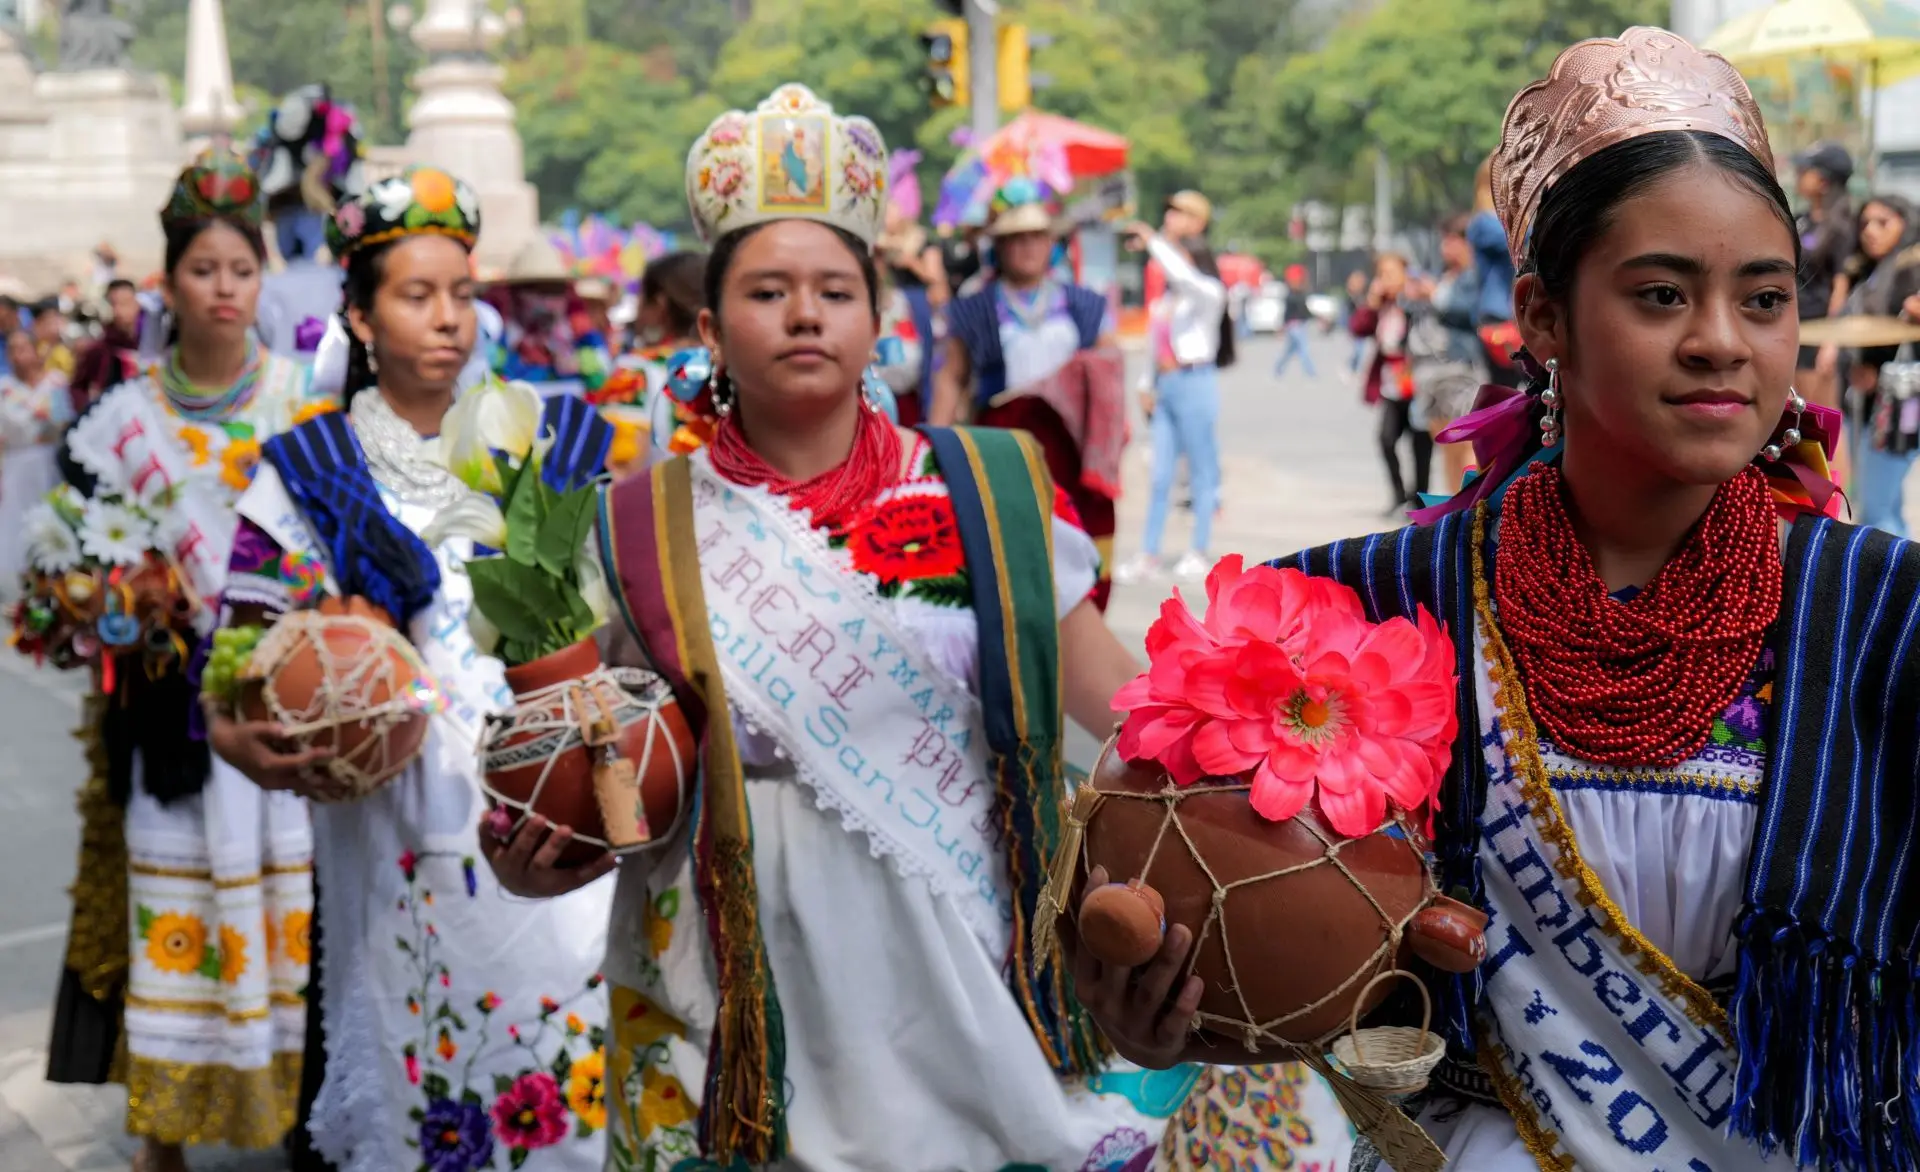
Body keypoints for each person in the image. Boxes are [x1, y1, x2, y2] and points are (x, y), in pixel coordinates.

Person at [1082, 27, 1920, 1172]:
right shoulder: (1360, 613)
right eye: (1663, 293)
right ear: (1542, 315)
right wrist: (1167, 1004)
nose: (1722, 342)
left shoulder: (1881, 618)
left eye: (1764, 298)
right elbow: (1238, 933)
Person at [483, 83, 1189, 1172]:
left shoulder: (991, 488)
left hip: (972, 966)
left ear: (878, 318)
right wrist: (544, 850)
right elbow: (599, 754)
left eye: (834, 289)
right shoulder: (636, 523)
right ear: (713, 328)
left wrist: (1250, 758)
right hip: (739, 988)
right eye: (768, 291)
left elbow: (1121, 702)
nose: (805, 313)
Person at [207, 165, 618, 1172]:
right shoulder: (307, 471)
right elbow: (231, 657)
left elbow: (625, 628)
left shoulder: (552, 444)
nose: (447, 319)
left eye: (463, 293)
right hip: (397, 827)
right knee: (420, 1088)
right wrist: (243, 735)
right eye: (415, 294)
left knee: (576, 1083)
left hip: (555, 814)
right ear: (358, 312)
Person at [47, 148, 319, 1172]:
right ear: (170, 280)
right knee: (175, 907)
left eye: (240, 269)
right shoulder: (121, 422)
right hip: (171, 726)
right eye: (202, 269)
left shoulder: (303, 400)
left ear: (261, 277)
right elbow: (72, 559)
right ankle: (159, 1131)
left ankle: (302, 1108)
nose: (224, 289)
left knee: (292, 912)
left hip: (285, 701)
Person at [933, 179, 1127, 609]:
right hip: (1005, 450)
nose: (1027, 247)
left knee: (1081, 552)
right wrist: (933, 448)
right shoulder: (975, 308)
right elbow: (952, 377)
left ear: (1051, 243)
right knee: (1013, 555)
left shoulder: (1083, 304)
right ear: (998, 247)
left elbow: (1110, 374)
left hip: (1072, 453)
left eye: (1036, 236)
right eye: (1015, 238)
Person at [1113, 202, 1233, 585]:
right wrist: (1146, 386)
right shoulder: (1165, 303)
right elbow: (1154, 348)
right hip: (1167, 387)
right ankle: (1149, 553)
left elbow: (1182, 275)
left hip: (1196, 382)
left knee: (1200, 472)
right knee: (1161, 474)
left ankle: (1198, 549)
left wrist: (1154, 239)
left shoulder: (1209, 293)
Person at [1836, 194, 1920, 535]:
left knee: (1876, 511)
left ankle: (1895, 583)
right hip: (1866, 402)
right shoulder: (1869, 268)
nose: (1870, 231)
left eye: (1882, 222)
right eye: (1865, 223)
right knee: (1881, 503)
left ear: (1906, 223)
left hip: (1900, 401)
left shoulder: (1912, 265)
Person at [1409, 214, 1487, 495]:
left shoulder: (1474, 276)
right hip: (1429, 372)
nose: (1446, 246)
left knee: (1466, 443)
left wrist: (1436, 295)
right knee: (1445, 444)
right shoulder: (1444, 275)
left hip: (1460, 368)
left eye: (1452, 239)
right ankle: (1450, 509)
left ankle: (1467, 509)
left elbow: (1472, 312)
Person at [1351, 251, 1431, 513]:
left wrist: (1410, 295)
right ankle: (1398, 493)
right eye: (1381, 274)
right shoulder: (1381, 305)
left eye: (1390, 273)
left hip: (1417, 380)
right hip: (1390, 383)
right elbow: (1358, 328)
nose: (1385, 279)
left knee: (1421, 443)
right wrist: (1372, 302)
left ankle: (1420, 498)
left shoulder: (1416, 299)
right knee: (1386, 439)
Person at [1797, 140, 1856, 484]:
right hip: (1797, 330)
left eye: (1807, 170)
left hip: (1822, 333)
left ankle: (1837, 499)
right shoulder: (1802, 220)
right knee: (1798, 415)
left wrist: (1831, 342)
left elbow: (1841, 287)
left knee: (1826, 418)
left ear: (1824, 180)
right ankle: (1805, 492)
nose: (1799, 175)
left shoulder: (1844, 226)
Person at [0, 329, 73, 582]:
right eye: (11, 349)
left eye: (22, 348)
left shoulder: (55, 382)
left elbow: (65, 424)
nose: (17, 355)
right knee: (15, 529)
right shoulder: (4, 388)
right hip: (15, 465)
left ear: (35, 350)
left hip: (50, 462)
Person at [70, 278, 145, 411]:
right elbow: (78, 387)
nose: (119, 311)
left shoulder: (154, 343)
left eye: (125, 303)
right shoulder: (99, 349)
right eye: (113, 304)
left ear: (137, 304)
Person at [1272, 263, 1319, 379]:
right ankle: (1311, 372)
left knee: (1289, 351)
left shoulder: (1301, 294)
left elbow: (1306, 311)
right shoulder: (1290, 296)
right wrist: (1282, 327)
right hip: (1294, 326)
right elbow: (1286, 313)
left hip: (1301, 325)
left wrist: (1317, 318)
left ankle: (1278, 369)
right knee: (1303, 349)